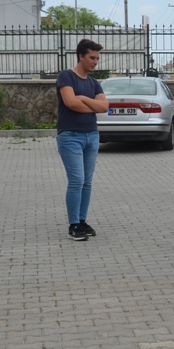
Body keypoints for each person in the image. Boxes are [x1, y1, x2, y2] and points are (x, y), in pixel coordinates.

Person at [56, 39, 108, 241]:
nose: (95, 62)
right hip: (70, 136)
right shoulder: (66, 76)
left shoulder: (94, 83)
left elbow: (104, 108)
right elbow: (70, 103)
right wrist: (92, 103)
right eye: (92, 58)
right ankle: (73, 225)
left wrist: (84, 99)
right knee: (76, 180)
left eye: (97, 58)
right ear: (81, 56)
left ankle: (83, 221)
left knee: (87, 182)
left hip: (92, 136)